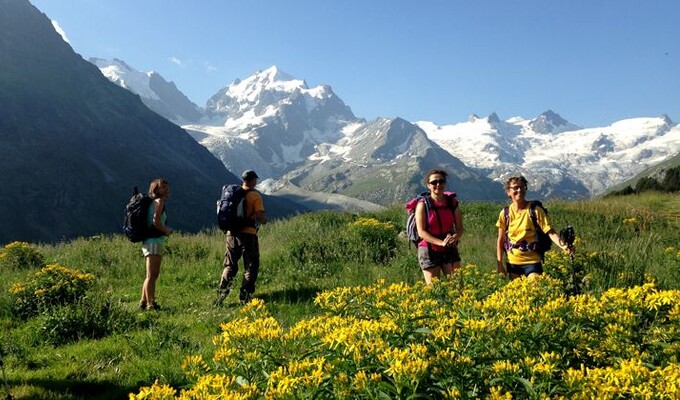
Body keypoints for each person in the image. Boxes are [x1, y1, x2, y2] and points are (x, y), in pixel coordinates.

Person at [496, 175, 572, 279]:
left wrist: (563, 246)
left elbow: (550, 232)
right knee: (518, 294)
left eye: (522, 187)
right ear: (508, 192)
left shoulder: (535, 210)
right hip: (512, 263)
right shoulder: (505, 213)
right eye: (515, 188)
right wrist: (500, 265)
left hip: (532, 261)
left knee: (534, 290)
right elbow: (501, 241)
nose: (519, 190)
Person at [216, 170, 267, 305]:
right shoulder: (254, 195)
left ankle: (220, 296)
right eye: (256, 180)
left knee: (230, 265)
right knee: (251, 265)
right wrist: (264, 220)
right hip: (249, 234)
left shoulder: (232, 193)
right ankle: (245, 296)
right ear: (253, 180)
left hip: (231, 233)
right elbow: (260, 216)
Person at [415, 168, 464, 284]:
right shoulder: (422, 205)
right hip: (429, 249)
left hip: (449, 248)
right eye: (434, 182)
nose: (438, 184)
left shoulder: (452, 203)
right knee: (434, 290)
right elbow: (421, 232)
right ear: (428, 185)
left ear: (445, 183)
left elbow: (460, 229)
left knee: (458, 286)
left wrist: (454, 238)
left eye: (441, 181)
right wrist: (441, 243)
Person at [140, 178, 172, 311]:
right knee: (152, 275)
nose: (166, 189)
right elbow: (156, 222)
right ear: (156, 189)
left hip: (149, 241)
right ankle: (150, 304)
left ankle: (143, 301)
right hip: (154, 241)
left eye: (166, 186)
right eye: (162, 187)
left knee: (150, 275)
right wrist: (166, 230)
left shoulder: (153, 202)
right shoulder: (159, 202)